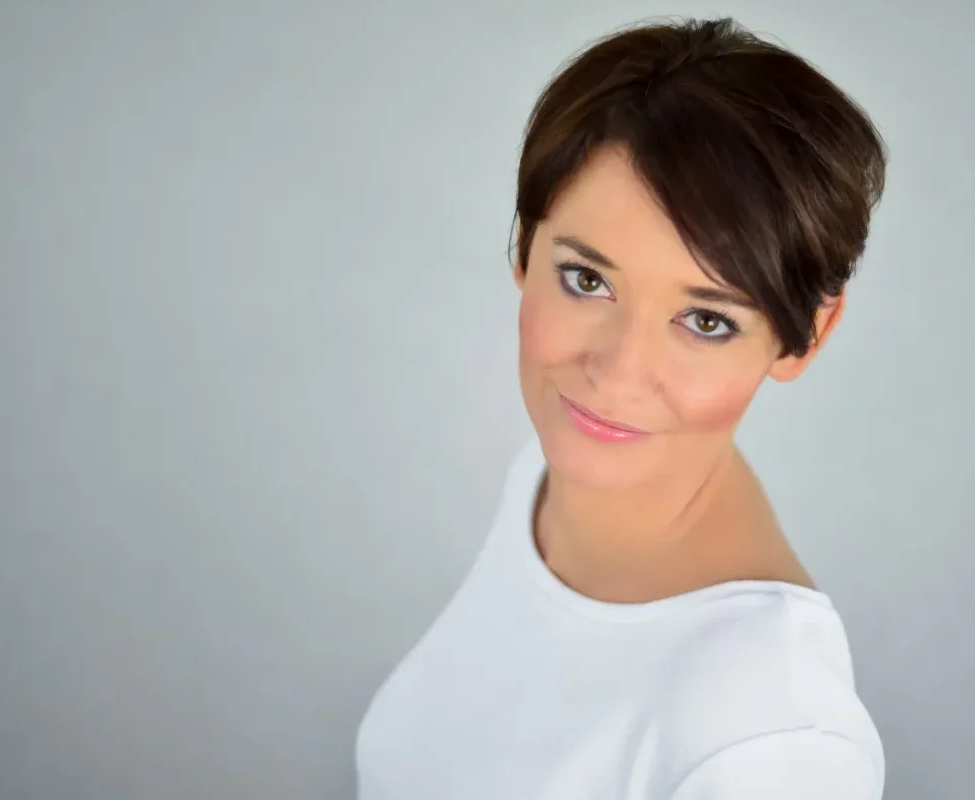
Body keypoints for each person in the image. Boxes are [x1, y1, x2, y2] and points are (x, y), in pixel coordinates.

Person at [356, 16, 887, 800]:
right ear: (524, 245)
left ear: (806, 335)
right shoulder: (547, 481)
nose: (615, 373)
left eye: (705, 320)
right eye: (588, 280)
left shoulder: (770, 743)